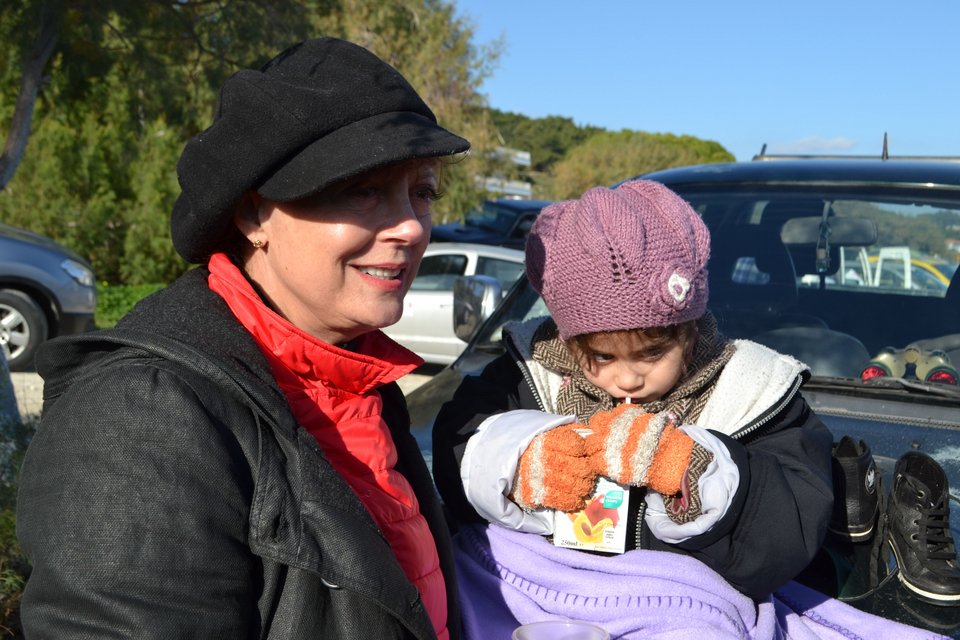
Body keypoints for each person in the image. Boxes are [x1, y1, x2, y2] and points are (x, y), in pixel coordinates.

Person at [16, 37, 469, 639]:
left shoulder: (359, 382)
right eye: (363, 191)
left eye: (423, 191)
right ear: (255, 215)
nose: (411, 225)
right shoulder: (142, 414)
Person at [432, 180, 836, 606]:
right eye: (602, 357)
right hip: (537, 597)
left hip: (679, 605)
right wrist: (515, 461)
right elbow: (458, 445)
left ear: (690, 331)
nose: (628, 380)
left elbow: (791, 526)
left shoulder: (751, 390)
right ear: (568, 342)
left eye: (652, 352)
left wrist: (693, 472)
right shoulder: (528, 371)